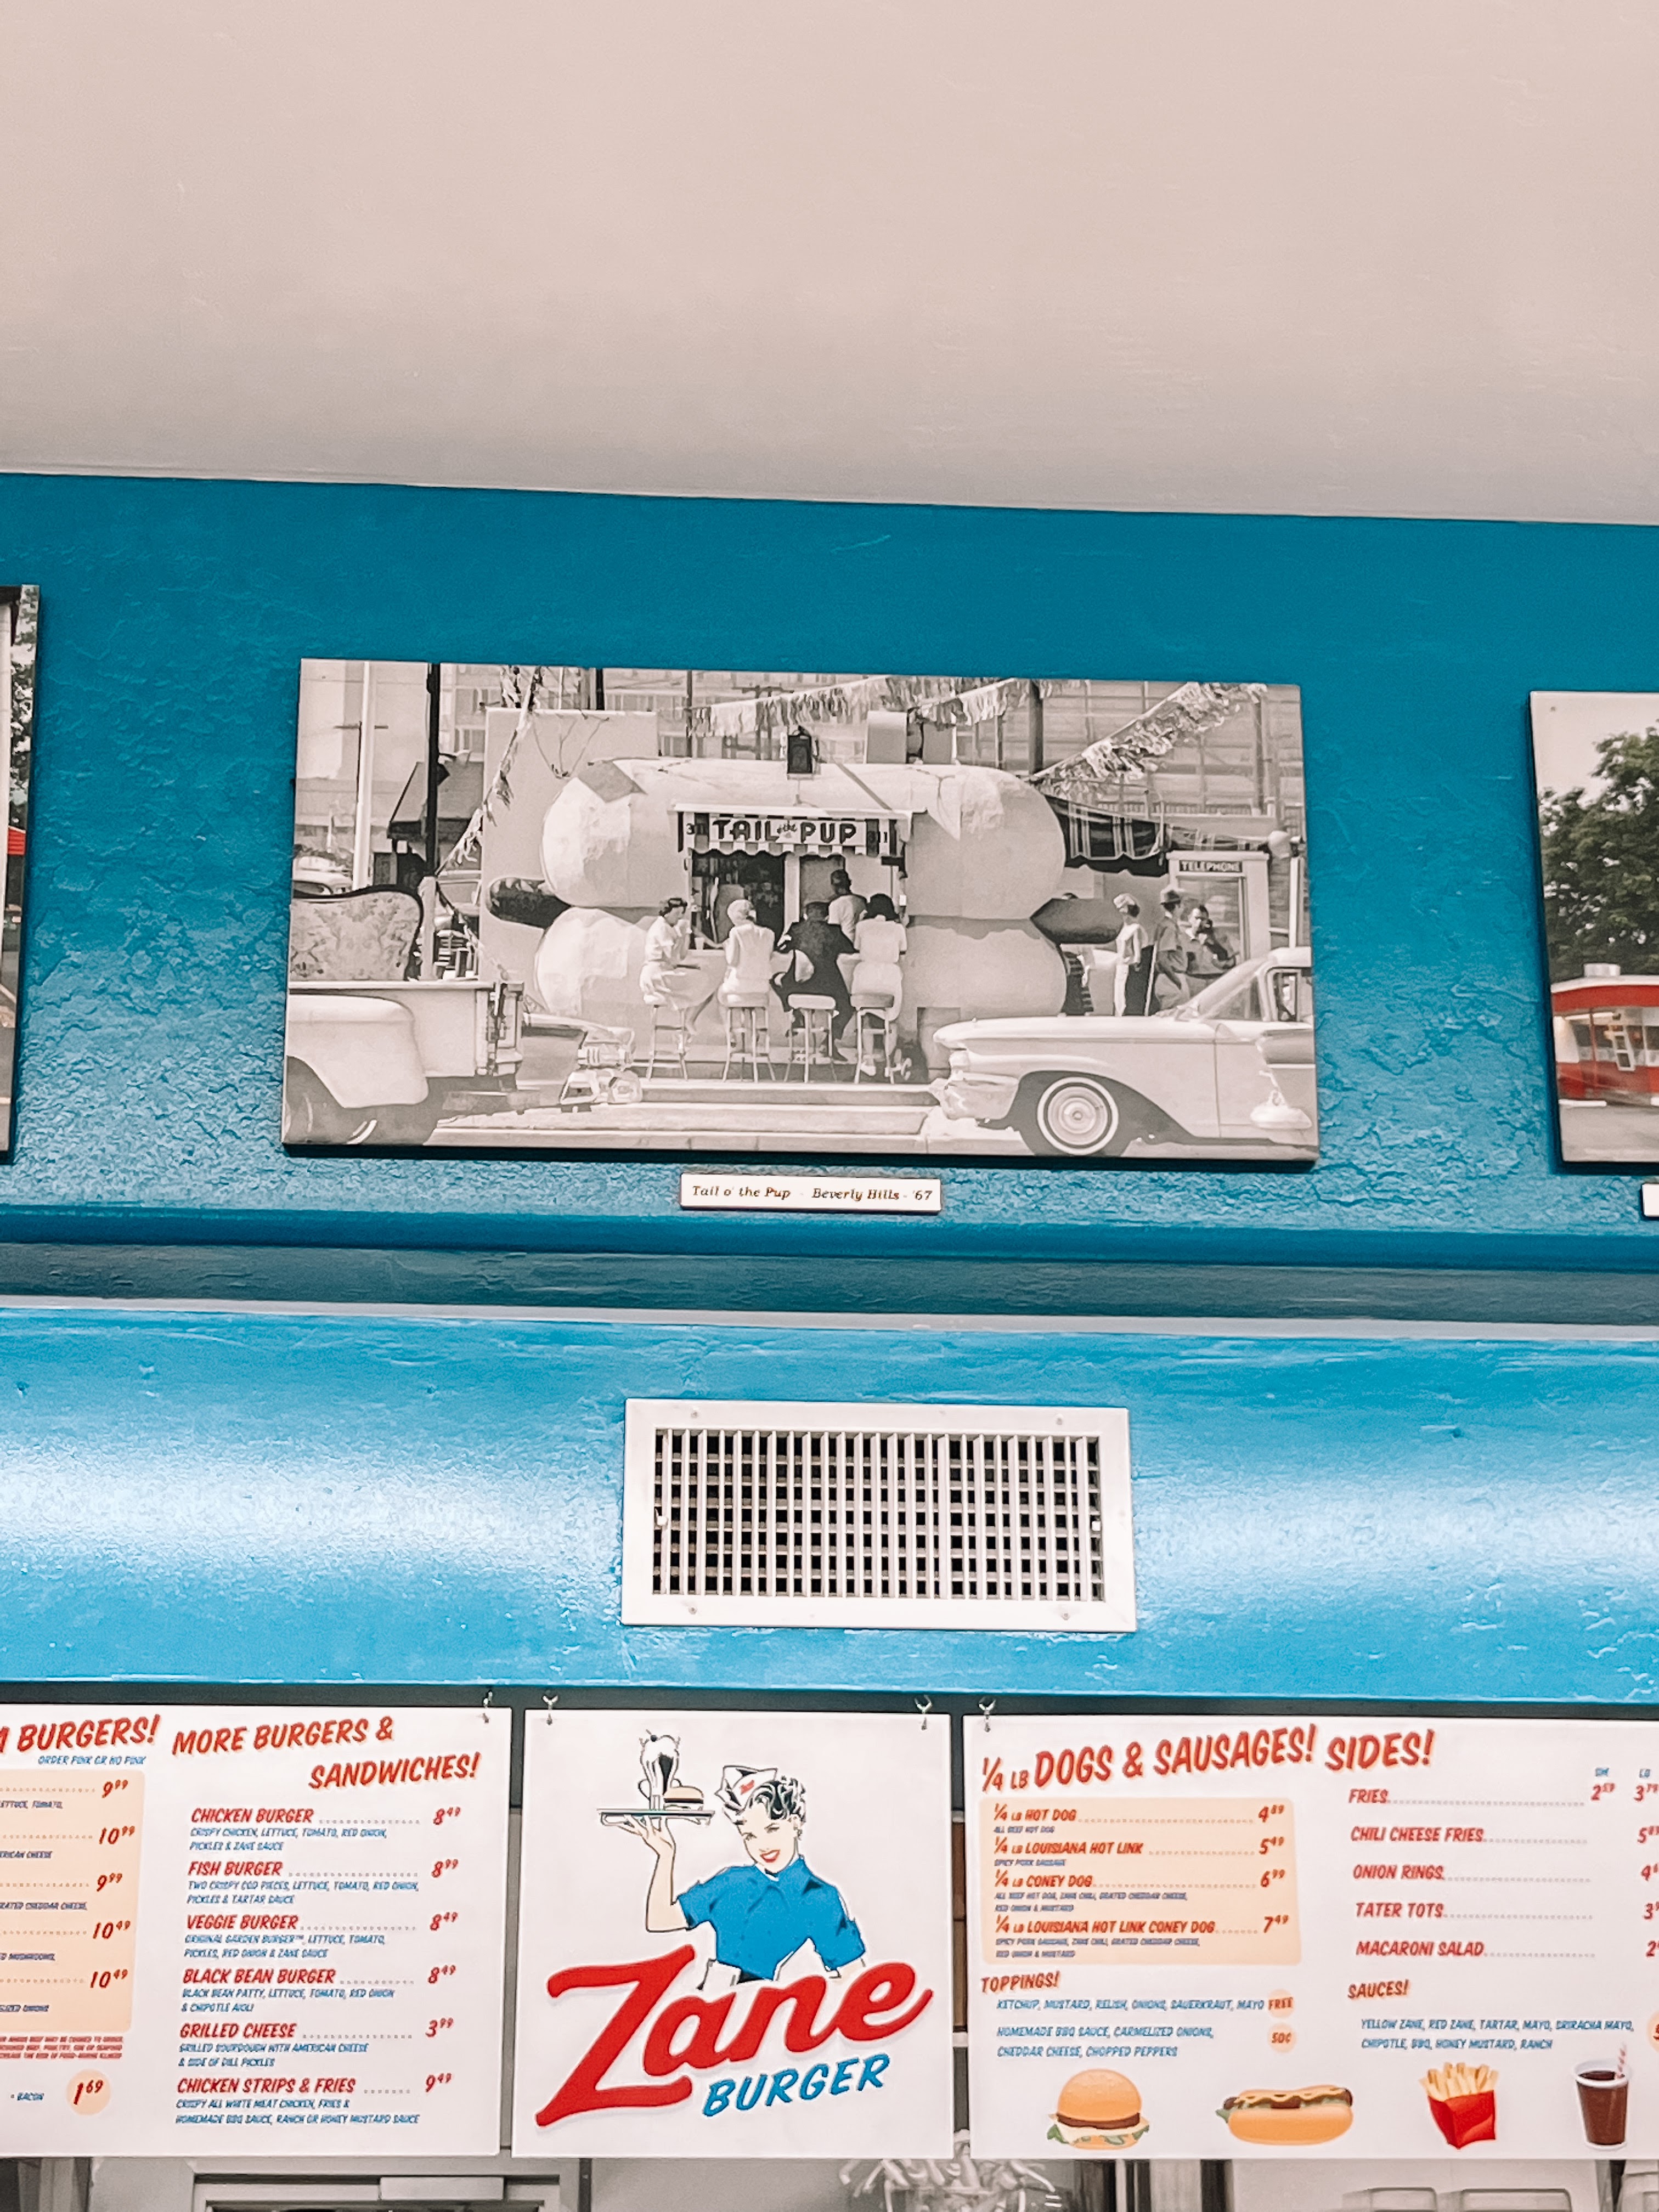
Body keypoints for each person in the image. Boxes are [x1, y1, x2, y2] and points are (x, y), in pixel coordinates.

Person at [619, 1764, 865, 1991]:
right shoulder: (732, 1882)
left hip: (759, 2006)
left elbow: (854, 1978)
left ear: (795, 1823)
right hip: (709, 2000)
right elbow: (660, 1920)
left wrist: (796, 1995)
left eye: (772, 1829)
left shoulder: (819, 1898)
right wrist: (666, 1856)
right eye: (750, 1836)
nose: (763, 1846)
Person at [848, 893, 908, 1075]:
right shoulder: (898, 929)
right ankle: (889, 1063)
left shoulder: (862, 926)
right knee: (892, 1019)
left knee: (865, 1018)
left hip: (865, 975)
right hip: (890, 976)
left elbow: (857, 947)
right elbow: (903, 951)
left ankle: (868, 1060)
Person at [773, 900, 855, 1027]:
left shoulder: (796, 929)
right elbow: (850, 951)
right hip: (829, 986)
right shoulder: (835, 931)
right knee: (847, 1009)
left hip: (799, 985)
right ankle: (832, 1034)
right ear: (827, 917)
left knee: (775, 980)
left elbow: (781, 949)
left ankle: (794, 1011)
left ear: (805, 916)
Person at [639, 895, 712, 1018]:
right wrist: (681, 936)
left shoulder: (669, 928)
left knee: (703, 980)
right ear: (667, 913)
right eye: (677, 914)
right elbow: (673, 958)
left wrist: (686, 934)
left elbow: (682, 955)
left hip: (663, 972)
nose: (680, 917)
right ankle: (689, 1020)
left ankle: (687, 1020)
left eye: (682, 914)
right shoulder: (662, 928)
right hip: (657, 976)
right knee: (703, 981)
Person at [717, 897, 781, 1005]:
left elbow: (732, 962)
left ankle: (728, 1016)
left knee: (719, 995)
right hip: (762, 986)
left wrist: (727, 947)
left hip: (740, 984)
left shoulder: (736, 932)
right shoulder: (769, 933)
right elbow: (768, 957)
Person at [1150, 887, 1192, 1012]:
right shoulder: (1169, 928)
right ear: (1177, 906)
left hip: (1170, 977)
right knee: (1175, 1017)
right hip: (1171, 978)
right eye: (1183, 905)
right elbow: (1162, 959)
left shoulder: (1168, 925)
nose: (1184, 908)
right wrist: (1177, 981)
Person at [1112, 895, 1152, 1015]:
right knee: (1118, 1000)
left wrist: (1136, 967)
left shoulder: (1136, 929)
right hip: (1120, 968)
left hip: (1130, 969)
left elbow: (1138, 954)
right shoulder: (1122, 929)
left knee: (1127, 1001)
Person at [1183, 901, 1235, 980]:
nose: (1200, 922)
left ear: (1208, 921)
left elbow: (1231, 961)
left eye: (1203, 919)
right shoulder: (1184, 937)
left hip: (1216, 977)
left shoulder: (1218, 936)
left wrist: (1212, 944)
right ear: (1190, 919)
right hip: (1193, 979)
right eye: (1197, 918)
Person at [826, 869, 865, 939]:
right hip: (860, 939)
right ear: (850, 883)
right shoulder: (861, 901)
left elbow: (834, 929)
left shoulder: (835, 904)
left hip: (844, 940)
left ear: (833, 886)